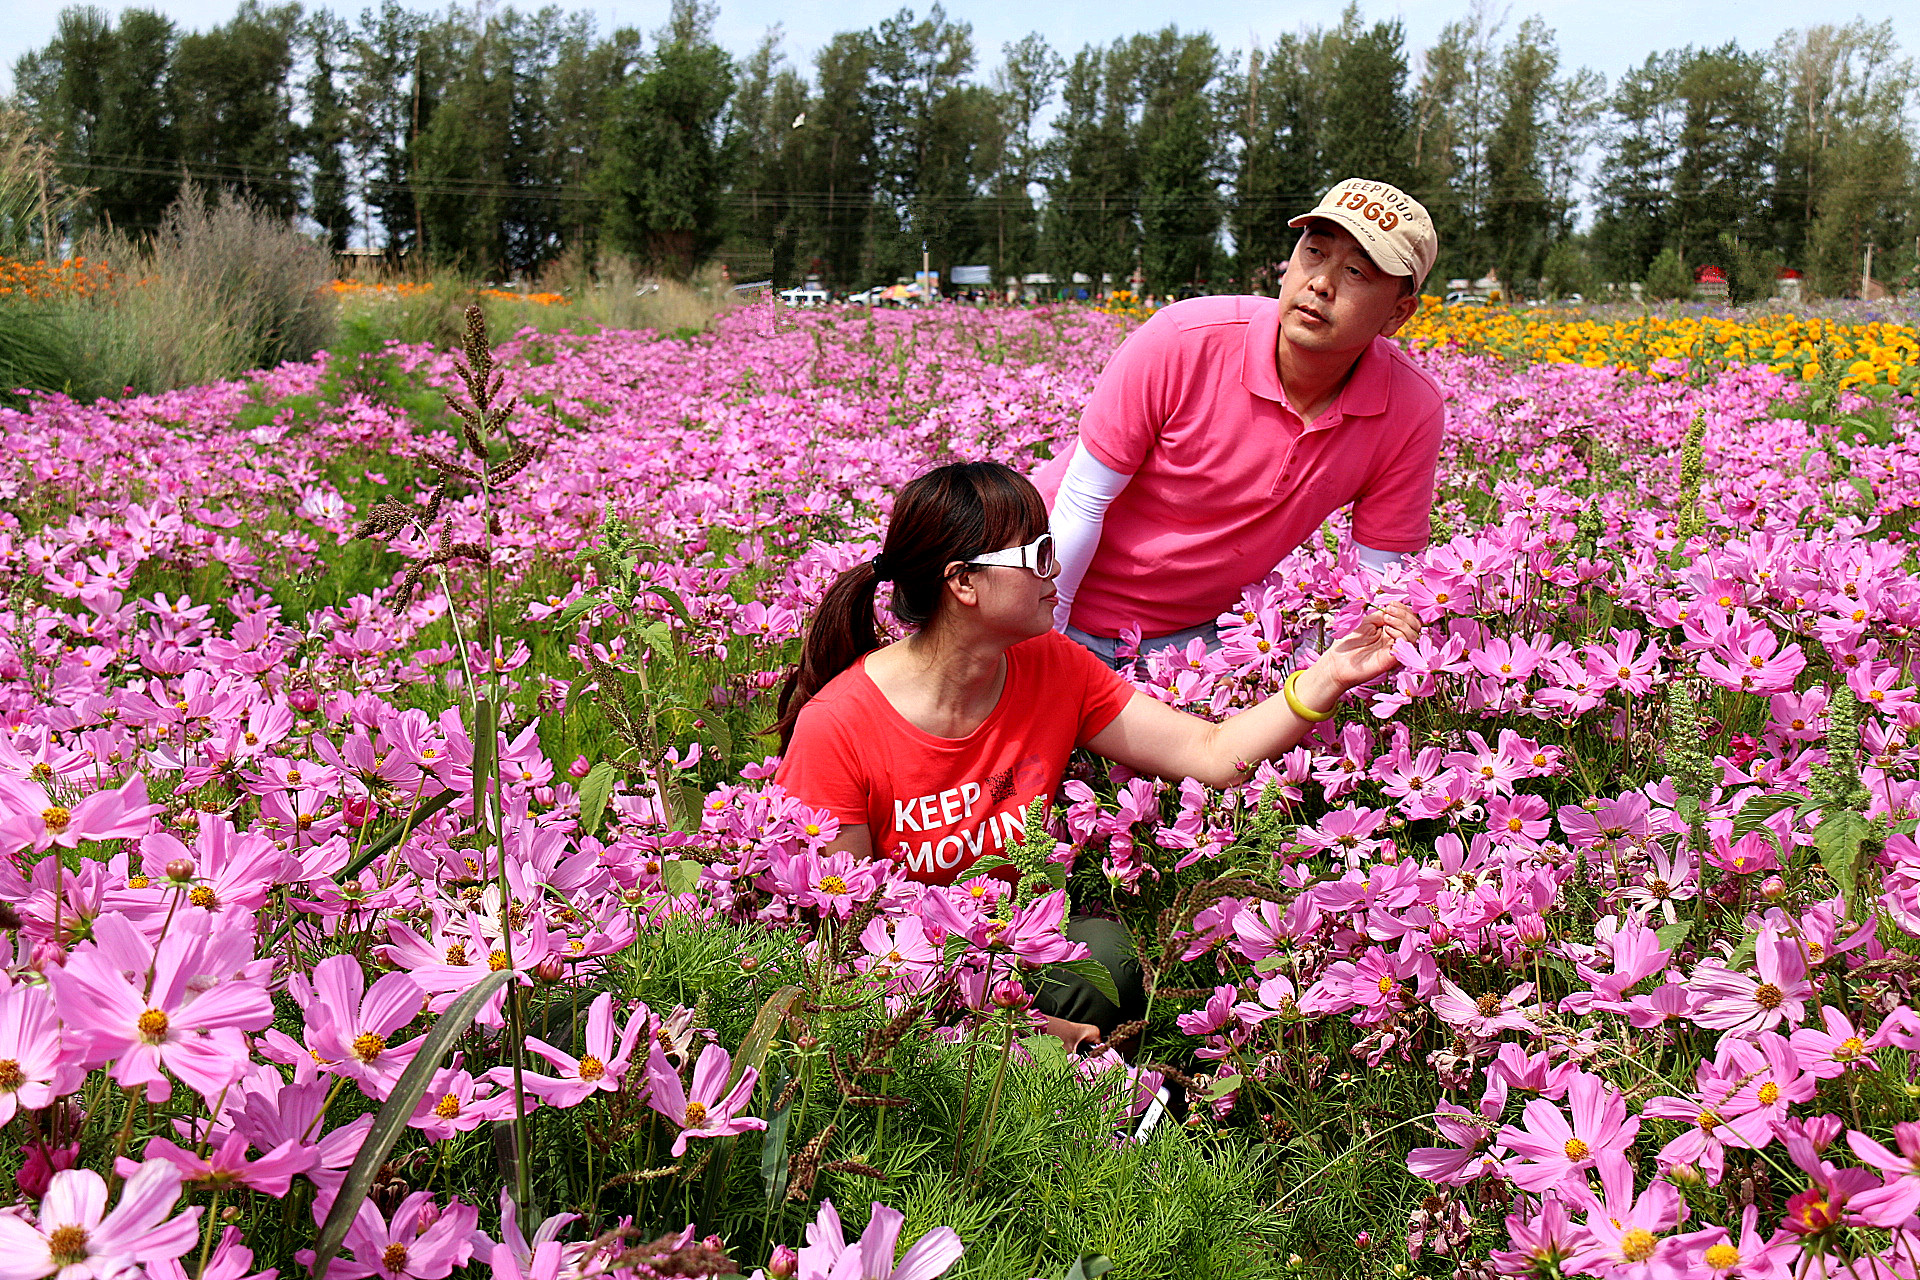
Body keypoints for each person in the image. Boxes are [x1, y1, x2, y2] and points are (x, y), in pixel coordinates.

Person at [773, 461, 1420, 1051]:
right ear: (964, 583)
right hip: (899, 996)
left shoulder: (1050, 667)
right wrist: (1041, 1037)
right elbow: (843, 950)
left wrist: (1329, 676)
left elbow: (1212, 751)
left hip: (1007, 953)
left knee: (1107, 957)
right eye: (1039, 554)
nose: (1056, 570)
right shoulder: (836, 728)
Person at [1035, 178, 1446, 668]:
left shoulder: (1411, 409)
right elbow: (1082, 502)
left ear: (1398, 314)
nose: (1320, 283)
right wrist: (1043, 650)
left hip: (1194, 639)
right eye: (1314, 252)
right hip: (1040, 592)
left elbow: (1381, 579)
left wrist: (1325, 671)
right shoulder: (1184, 340)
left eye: (1356, 271)